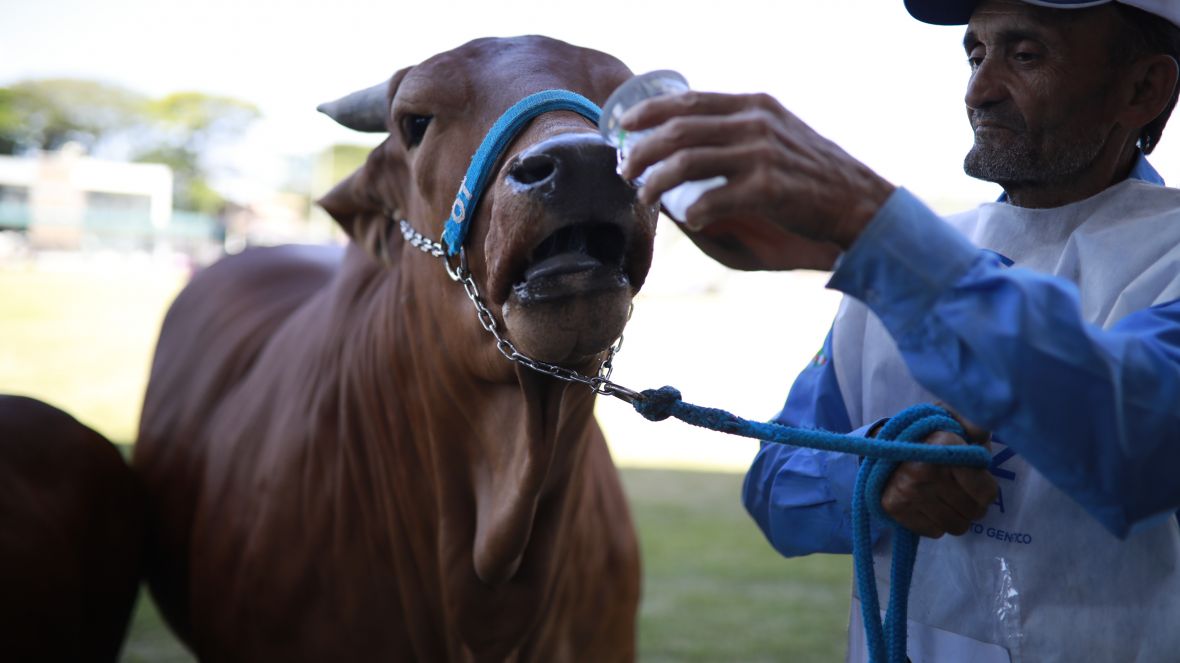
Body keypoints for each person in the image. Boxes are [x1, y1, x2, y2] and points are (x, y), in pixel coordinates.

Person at [618, 0, 1180, 661]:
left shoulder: (897, 253)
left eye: (1026, 55)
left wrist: (868, 223)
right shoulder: (903, 255)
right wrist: (877, 468)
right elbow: (775, 485)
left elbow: (1140, 440)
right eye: (975, 55)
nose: (979, 90)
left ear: (1144, 88)